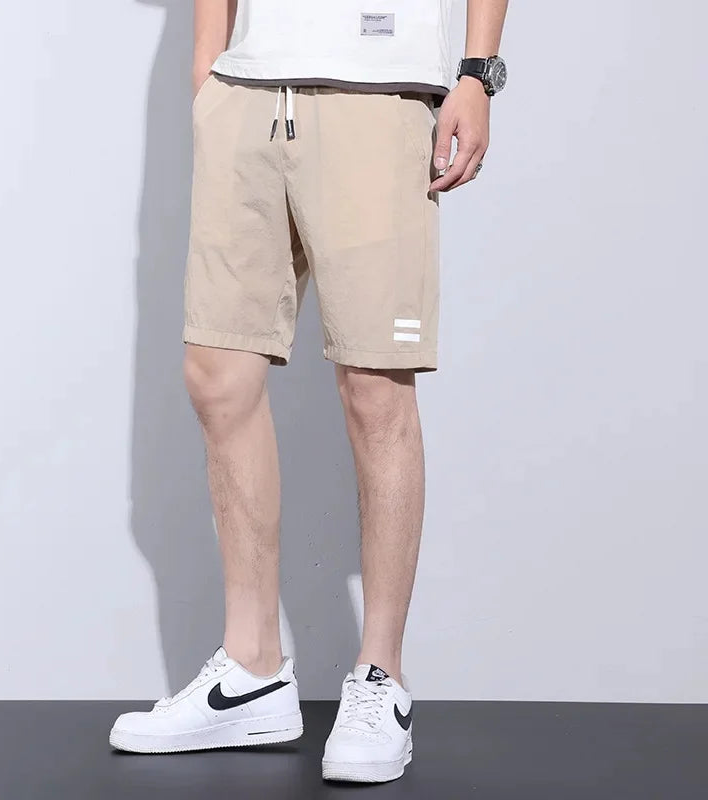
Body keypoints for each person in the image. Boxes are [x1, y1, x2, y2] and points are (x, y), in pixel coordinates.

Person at [110, 0, 509, 784]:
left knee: (375, 387)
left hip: (378, 87)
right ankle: (252, 670)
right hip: (246, 91)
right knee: (218, 375)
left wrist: (476, 74)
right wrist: (208, 66)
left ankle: (381, 677)